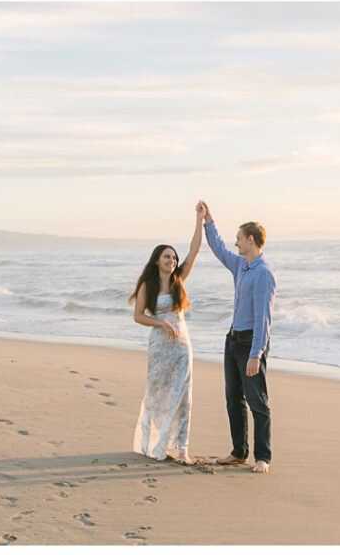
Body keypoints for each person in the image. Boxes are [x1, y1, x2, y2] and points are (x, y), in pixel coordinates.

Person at [197, 200, 276, 474]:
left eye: (239, 238)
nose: (235, 242)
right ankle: (239, 452)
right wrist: (208, 219)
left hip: (250, 343)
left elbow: (263, 318)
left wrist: (256, 353)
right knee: (233, 397)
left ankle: (263, 457)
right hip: (232, 340)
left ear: (251, 240)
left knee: (257, 402)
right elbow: (218, 247)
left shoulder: (264, 273)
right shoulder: (241, 265)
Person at [128, 206, 205, 463]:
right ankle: (153, 444)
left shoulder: (178, 280)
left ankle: (182, 449)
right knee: (157, 395)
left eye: (173, 257)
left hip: (182, 348)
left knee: (184, 396)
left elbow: (194, 250)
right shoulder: (147, 285)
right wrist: (161, 324)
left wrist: (199, 220)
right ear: (156, 261)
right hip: (160, 349)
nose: (171, 260)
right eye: (166, 257)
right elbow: (138, 316)